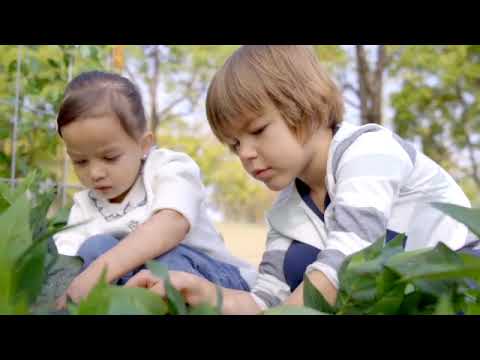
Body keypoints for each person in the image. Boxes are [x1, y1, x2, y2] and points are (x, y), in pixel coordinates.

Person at [124, 45, 475, 314]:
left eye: (257, 130)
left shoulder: (368, 150)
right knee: (295, 264)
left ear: (305, 105)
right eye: (234, 144)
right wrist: (205, 293)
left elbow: (346, 264)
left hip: (460, 289)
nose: (245, 153)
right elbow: (267, 300)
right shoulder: (286, 211)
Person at [53, 71, 257, 308]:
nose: (95, 172)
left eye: (109, 157)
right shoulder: (86, 206)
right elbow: (65, 263)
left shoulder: (169, 168)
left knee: (164, 260)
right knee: (92, 248)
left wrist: (98, 272)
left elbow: (171, 224)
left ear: (143, 145)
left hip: (216, 283)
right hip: (142, 284)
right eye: (80, 161)